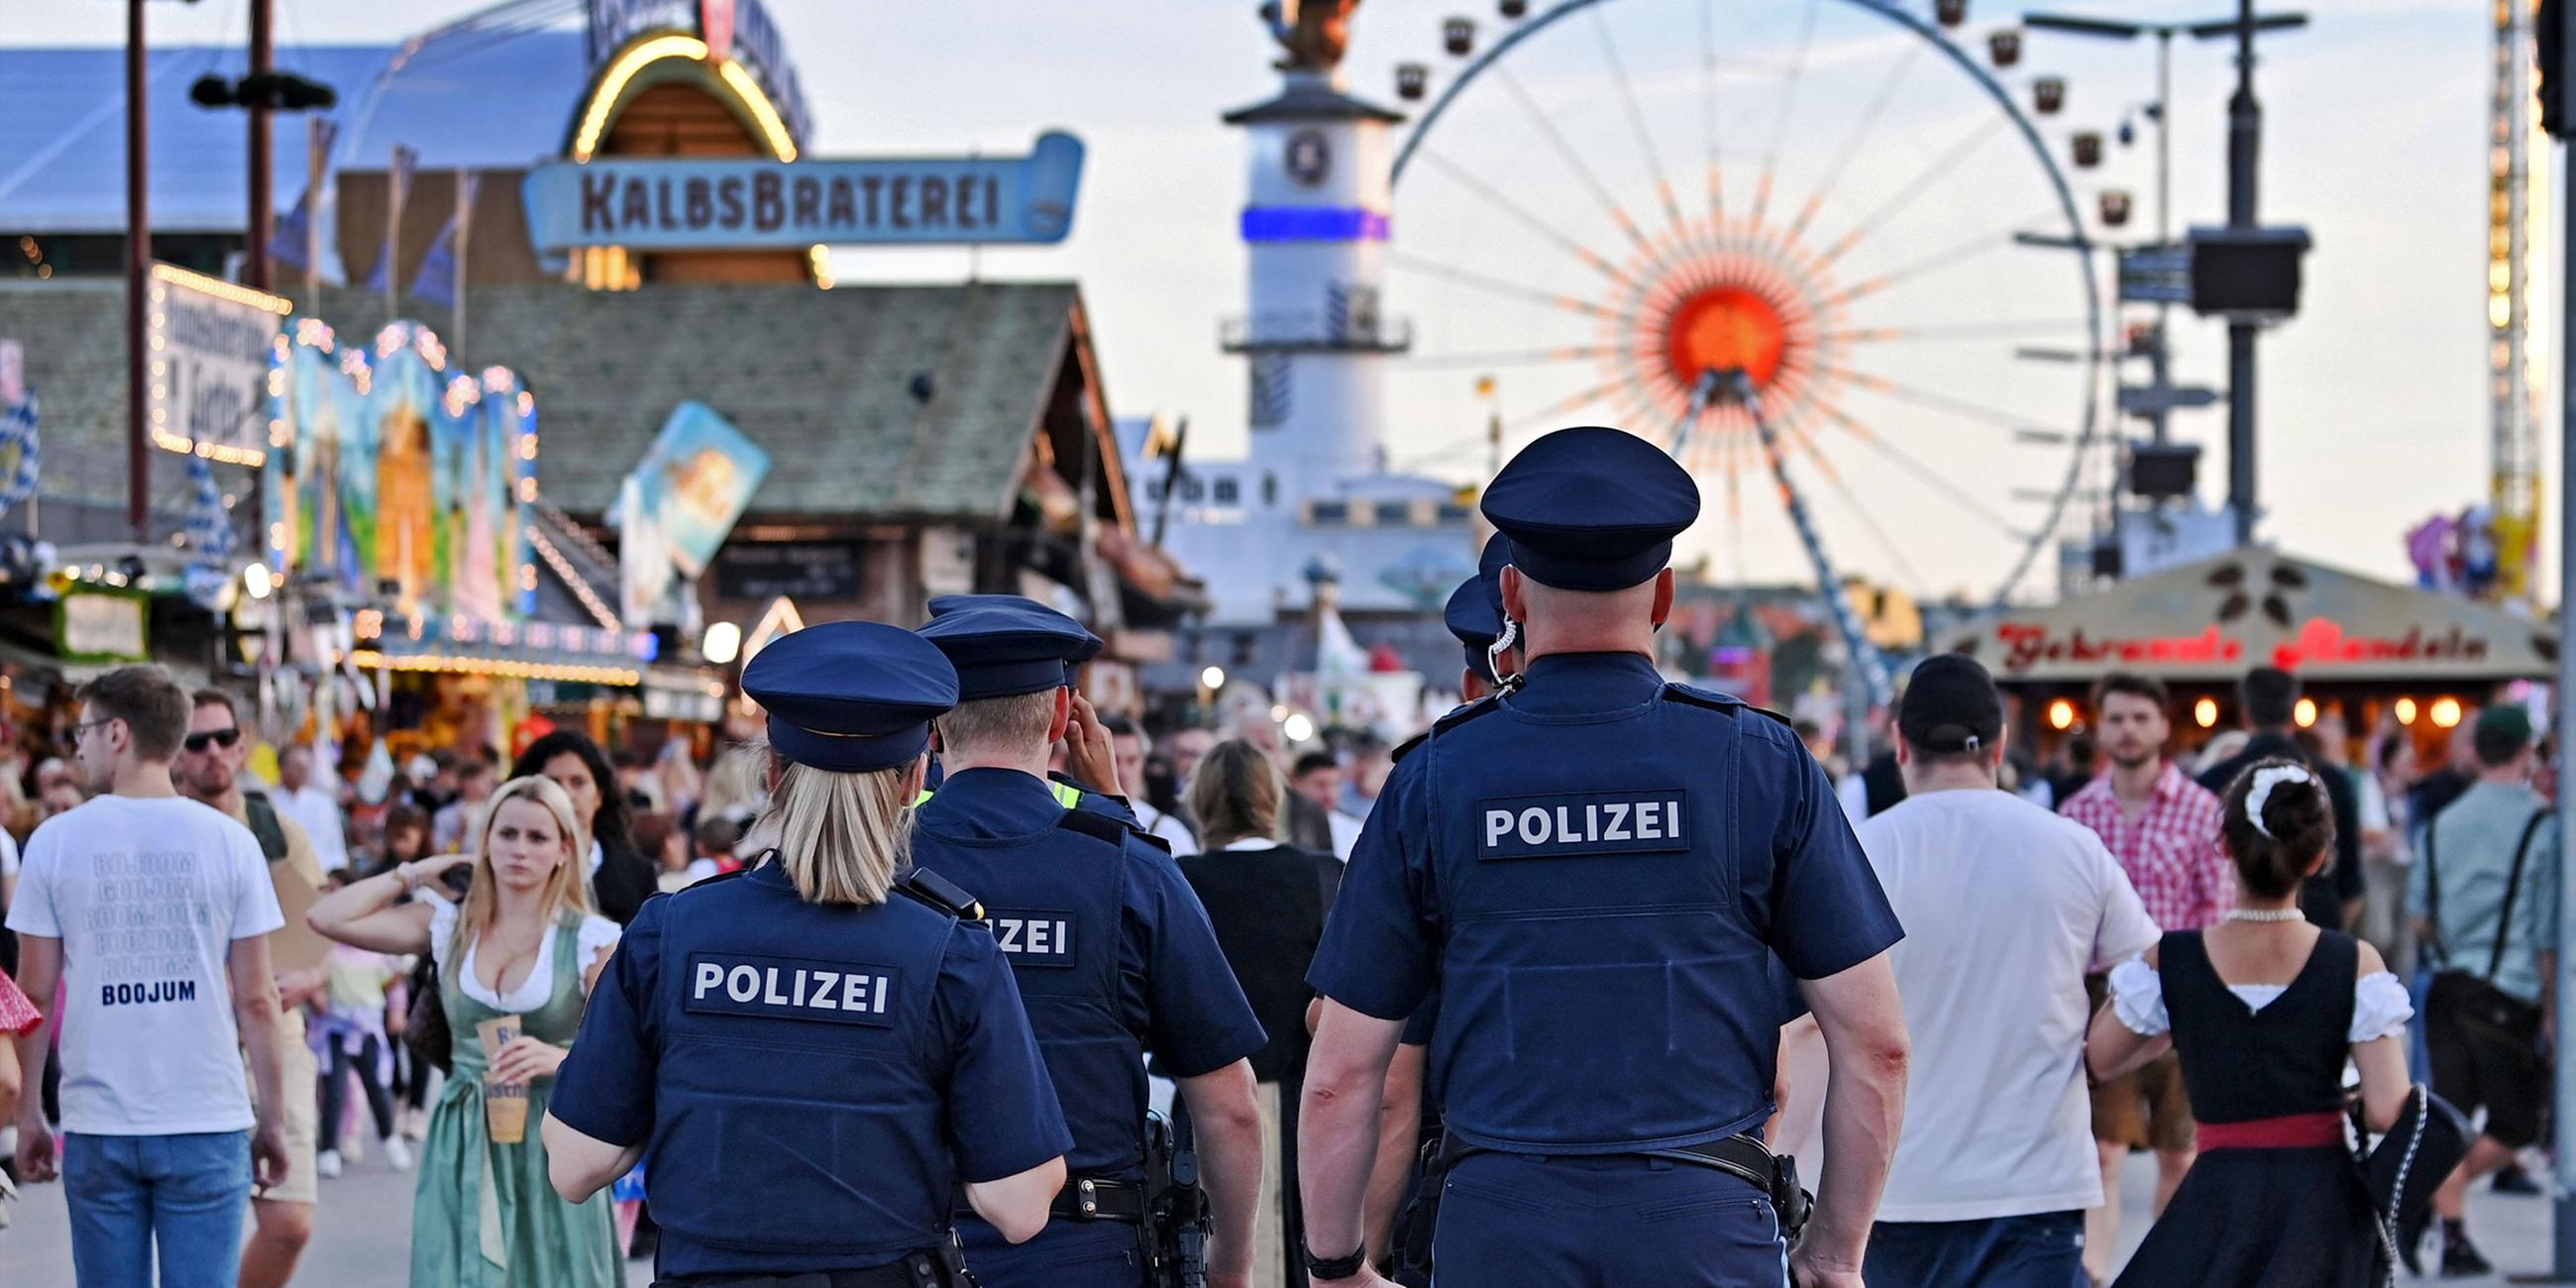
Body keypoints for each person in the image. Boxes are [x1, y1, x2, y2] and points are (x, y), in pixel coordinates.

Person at [1299, 426, 1910, 1288]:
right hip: (1706, 1226)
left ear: (1509, 590)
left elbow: (1343, 1071)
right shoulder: (1761, 765)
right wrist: (1835, 1254)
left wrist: (1335, 1263)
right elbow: (1875, 1045)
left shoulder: (1434, 777)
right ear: (1662, 597)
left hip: (1498, 1228)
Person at [542, 621, 1073, 1286]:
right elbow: (1020, 1207)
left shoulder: (669, 934)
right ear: (914, 781)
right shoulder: (952, 954)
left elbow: (574, 1165)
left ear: (771, 772)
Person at [912, 595, 1266, 1288]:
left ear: (932, 728)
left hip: (908, 1248)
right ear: (1060, 718)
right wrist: (1233, 1268)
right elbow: (1229, 1104)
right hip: (1087, 1250)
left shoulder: (879, 865)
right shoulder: (1130, 867)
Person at [1850, 655, 2159, 1288]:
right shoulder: (2072, 848)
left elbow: (1798, 1022)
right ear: (2000, 745)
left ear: (1901, 745)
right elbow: (2160, 976)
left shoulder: (1856, 853)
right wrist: (2100, 1058)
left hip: (1894, 1185)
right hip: (2035, 1183)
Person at [8, 665, 293, 1288]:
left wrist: (29, 1112)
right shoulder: (230, 842)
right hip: (206, 1116)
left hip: (98, 1118)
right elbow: (257, 999)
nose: (76, 746)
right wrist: (271, 1117)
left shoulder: (54, 843)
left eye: (82, 731)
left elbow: (33, 994)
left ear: (117, 733)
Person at [2089, 759, 2414, 1287]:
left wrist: (2183, 1021)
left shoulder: (2171, 960)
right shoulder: (2353, 962)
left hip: (2218, 1195)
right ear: (2318, 858)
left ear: (2225, 848)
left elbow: (2099, 1059)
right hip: (2322, 1205)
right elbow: (2386, 1109)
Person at [307, 774, 623, 1287]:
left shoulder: (592, 939)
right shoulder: (449, 925)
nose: (519, 849)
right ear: (485, 841)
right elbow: (326, 916)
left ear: (565, 850)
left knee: (555, 1272)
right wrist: (417, 871)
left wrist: (560, 1060)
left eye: (538, 837)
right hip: (465, 1134)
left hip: (552, 1139)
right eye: (507, 833)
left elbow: (631, 1055)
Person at [2055, 671, 2232, 1280]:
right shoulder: (2077, 812)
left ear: (2162, 725)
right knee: (2101, 1151)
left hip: (2183, 989)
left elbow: (2220, 910)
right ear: (2100, 727)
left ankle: (2168, 1272)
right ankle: (2097, 1275)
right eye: (2116, 718)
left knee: (2179, 1154)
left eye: (2139, 718)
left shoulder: (2203, 811)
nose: (2127, 730)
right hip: (2105, 995)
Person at [175, 689, 327, 1288]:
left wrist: (309, 977)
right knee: (199, 1227)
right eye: (196, 741)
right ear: (176, 754)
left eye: (223, 738)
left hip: (278, 1043)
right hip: (190, 1047)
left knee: (290, 1224)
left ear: (242, 746)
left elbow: (320, 933)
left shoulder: (278, 829)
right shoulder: (164, 829)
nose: (212, 752)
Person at [1180, 739, 1344, 1286]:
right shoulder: (1324, 876)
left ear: (1202, 802)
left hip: (1205, 1102)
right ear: (1271, 797)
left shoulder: (1182, 880)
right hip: (1308, 1101)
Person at [2405, 702, 2557, 1275]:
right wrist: (2551, 1007)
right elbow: (2546, 930)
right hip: (2508, 990)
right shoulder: (2542, 824)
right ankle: (2423, 1199)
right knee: (2518, 1125)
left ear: (2475, 751)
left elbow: (2420, 915)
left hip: (2447, 985)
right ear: (2526, 752)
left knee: (2454, 1115)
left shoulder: (2444, 822)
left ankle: (2450, 1230)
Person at [2197, 668, 2364, 929]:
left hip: (2233, 931)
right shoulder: (2332, 779)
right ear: (2294, 712)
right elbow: (2351, 884)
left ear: (2245, 713)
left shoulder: (2211, 782)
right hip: (2318, 925)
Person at [511, 731, 656, 926]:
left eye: (578, 782)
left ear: (599, 796)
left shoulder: (638, 874)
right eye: (554, 783)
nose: (567, 794)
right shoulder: (514, 866)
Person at [311, 933, 409, 1177]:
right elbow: (313, 981)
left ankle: (390, 1139)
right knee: (334, 1090)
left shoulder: (378, 954)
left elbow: (395, 985)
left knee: (377, 1087)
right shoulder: (328, 953)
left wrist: (397, 1011)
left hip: (367, 1032)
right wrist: (316, 996)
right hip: (337, 1031)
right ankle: (330, 1148)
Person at [1105, 713, 1201, 855]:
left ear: (1143, 763)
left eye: (1132, 760)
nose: (1122, 771)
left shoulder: (1168, 831)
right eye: (1113, 760)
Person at [273, 743, 351, 874]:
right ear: (283, 768)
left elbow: (336, 845)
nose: (303, 770)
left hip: (325, 874)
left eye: (306, 766)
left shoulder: (324, 802)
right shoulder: (271, 802)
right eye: (297, 766)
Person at [1290, 751, 1361, 860]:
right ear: (1296, 783)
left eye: (1335, 785)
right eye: (1320, 785)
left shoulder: (1355, 829)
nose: (1329, 794)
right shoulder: (1283, 826)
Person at [432, 759, 497, 856]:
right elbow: (439, 854)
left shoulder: (496, 812)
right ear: (467, 783)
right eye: (484, 781)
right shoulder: (446, 816)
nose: (491, 785)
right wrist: (460, 834)